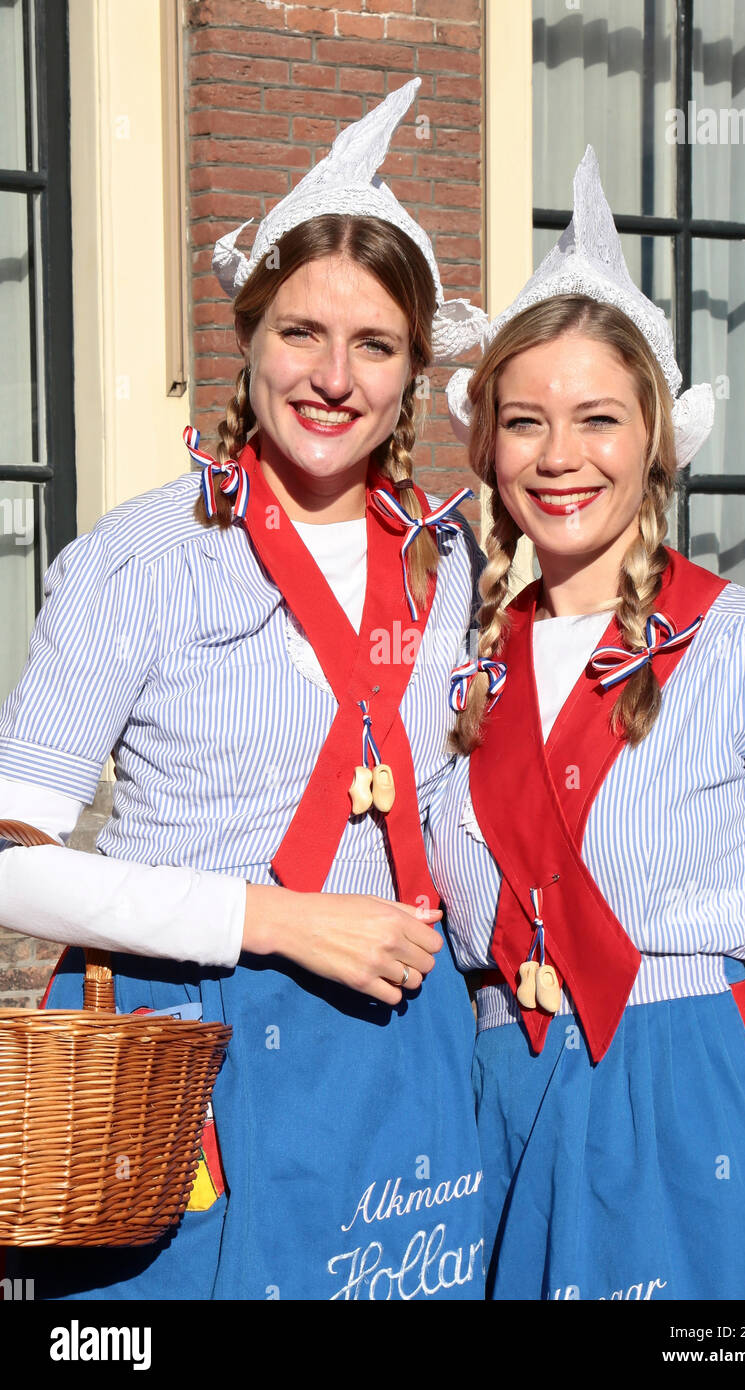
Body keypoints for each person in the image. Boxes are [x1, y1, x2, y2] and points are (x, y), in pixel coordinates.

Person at [0, 80, 489, 1301]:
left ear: (412, 372)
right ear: (247, 334)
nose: (332, 377)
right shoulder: (141, 555)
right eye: (299, 334)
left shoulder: (459, 560)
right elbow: (10, 863)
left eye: (373, 344)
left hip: (397, 1050)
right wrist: (267, 918)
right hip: (185, 1056)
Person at [428, 147, 745, 1301]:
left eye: (597, 419)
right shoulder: (451, 657)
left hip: (687, 1099)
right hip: (494, 1106)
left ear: (656, 440)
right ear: (487, 447)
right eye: (525, 422)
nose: (558, 458)